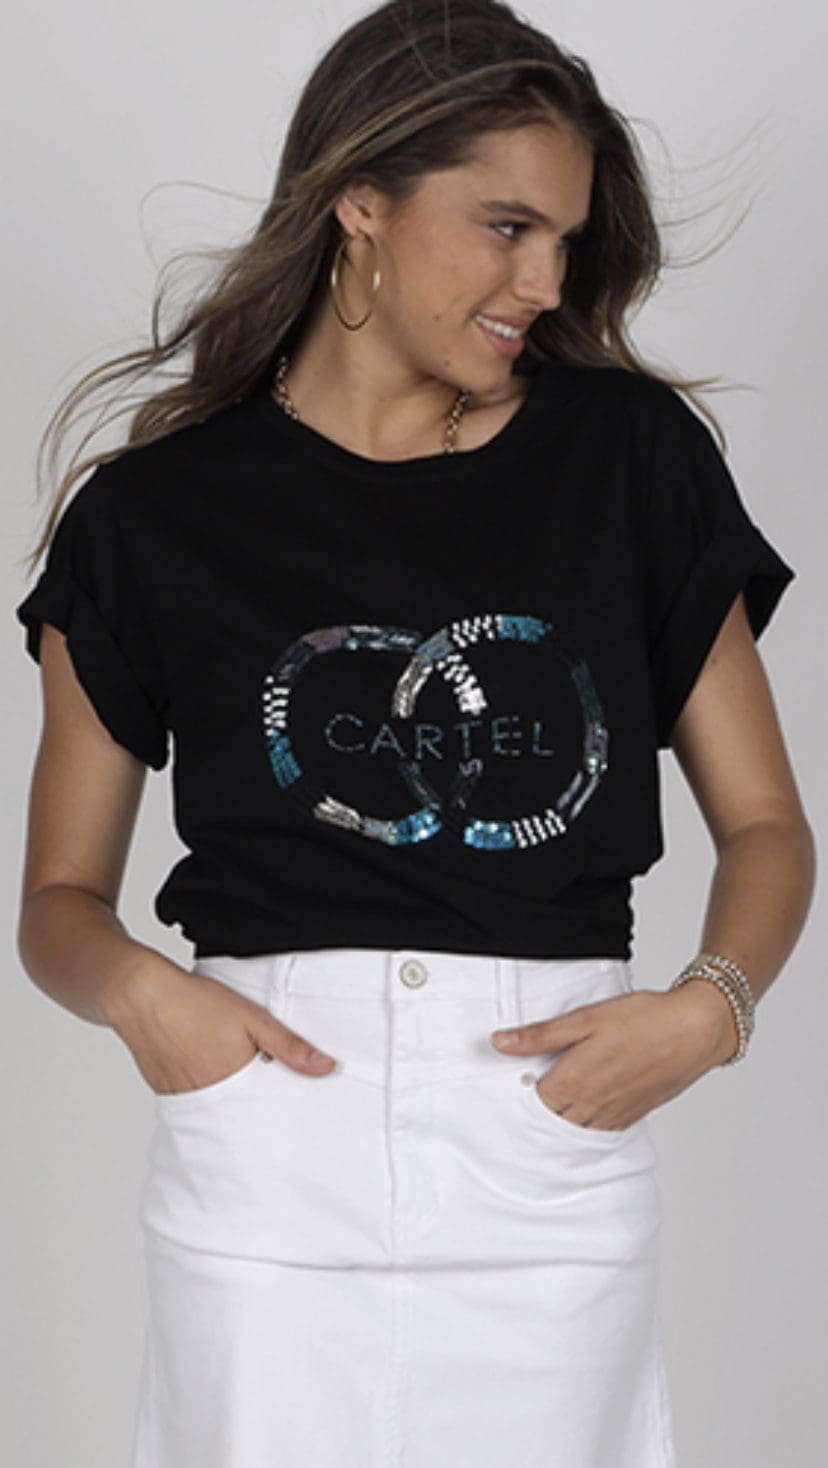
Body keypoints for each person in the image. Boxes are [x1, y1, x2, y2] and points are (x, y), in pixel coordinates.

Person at [13, 2, 816, 1466]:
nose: (544, 281)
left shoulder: (627, 463)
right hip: (270, 1147)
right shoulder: (156, 516)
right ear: (360, 204)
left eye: (565, 240)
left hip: (545, 1147)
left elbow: (766, 825)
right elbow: (58, 904)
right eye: (507, 227)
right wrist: (140, 994)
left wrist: (710, 1011)